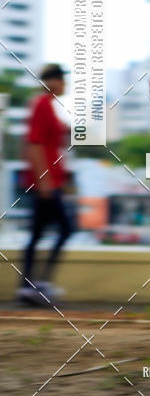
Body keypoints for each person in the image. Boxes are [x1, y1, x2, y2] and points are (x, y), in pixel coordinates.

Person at [16, 63, 73, 306]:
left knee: (37, 234)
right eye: (61, 80)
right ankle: (38, 285)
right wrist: (44, 182)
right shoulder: (40, 103)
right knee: (64, 229)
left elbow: (52, 139)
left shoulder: (49, 106)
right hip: (45, 185)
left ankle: (29, 287)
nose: (64, 84)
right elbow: (35, 144)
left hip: (51, 182)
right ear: (50, 81)